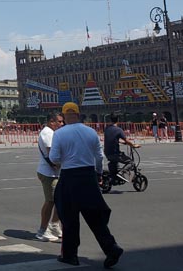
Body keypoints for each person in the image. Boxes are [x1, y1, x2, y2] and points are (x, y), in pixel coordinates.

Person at [50, 102, 124, 268]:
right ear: (78, 114)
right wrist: (98, 174)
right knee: (95, 218)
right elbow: (99, 157)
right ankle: (111, 247)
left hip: (69, 176)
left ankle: (70, 255)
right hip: (88, 176)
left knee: (69, 219)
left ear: (63, 115)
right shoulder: (90, 132)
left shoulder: (60, 134)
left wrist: (67, 158)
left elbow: (54, 158)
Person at [35, 112, 64, 242]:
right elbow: (52, 153)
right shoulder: (48, 133)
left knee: (59, 200)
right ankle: (42, 230)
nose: (62, 124)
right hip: (49, 173)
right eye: (60, 121)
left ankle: (54, 225)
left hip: (53, 172)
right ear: (52, 121)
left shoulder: (52, 133)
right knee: (50, 201)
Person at [104, 113, 140, 182]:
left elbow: (111, 139)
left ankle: (114, 177)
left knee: (114, 163)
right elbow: (126, 140)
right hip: (115, 154)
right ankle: (122, 173)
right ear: (118, 120)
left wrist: (121, 142)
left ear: (110, 120)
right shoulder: (118, 130)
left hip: (107, 153)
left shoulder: (107, 129)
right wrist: (133, 145)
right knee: (131, 162)